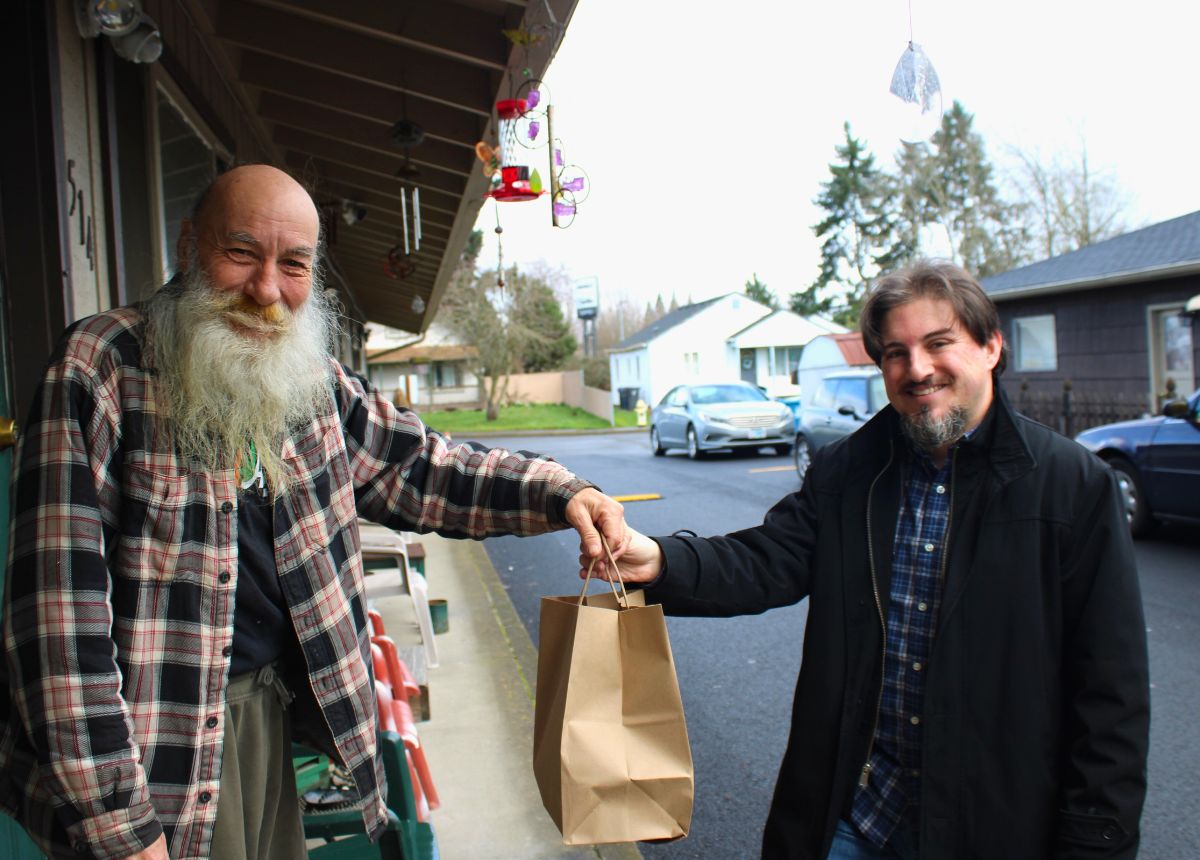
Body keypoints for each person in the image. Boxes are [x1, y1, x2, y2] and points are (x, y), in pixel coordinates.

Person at [0, 164, 628, 860]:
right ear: (188, 248)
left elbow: (418, 465)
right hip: (154, 741)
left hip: (269, 717)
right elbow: (57, 624)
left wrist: (562, 491)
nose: (267, 291)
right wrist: (118, 823)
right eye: (241, 254)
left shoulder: (311, 382)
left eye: (292, 265)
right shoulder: (100, 370)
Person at [592, 261, 1149, 859]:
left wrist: (1094, 841)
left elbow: (1110, 689)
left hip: (992, 829)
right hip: (854, 820)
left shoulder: (1071, 485)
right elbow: (766, 559)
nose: (917, 369)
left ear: (991, 347)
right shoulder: (849, 470)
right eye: (895, 352)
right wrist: (657, 561)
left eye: (939, 344)